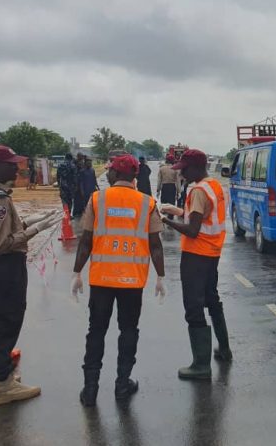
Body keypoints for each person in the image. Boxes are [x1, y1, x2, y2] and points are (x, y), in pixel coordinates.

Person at [71, 154, 166, 407]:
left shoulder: (97, 199)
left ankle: (90, 389)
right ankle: (122, 385)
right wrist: (161, 276)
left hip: (101, 280)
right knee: (128, 330)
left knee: (96, 332)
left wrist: (77, 272)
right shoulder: (147, 203)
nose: (108, 174)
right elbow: (155, 245)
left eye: (110, 170)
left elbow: (86, 240)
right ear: (135, 175)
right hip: (132, 282)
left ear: (114, 174)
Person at [0, 145, 59, 405]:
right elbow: (2, 243)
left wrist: (28, 221)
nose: (16, 168)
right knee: (5, 321)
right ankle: (3, 385)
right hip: (3, 264)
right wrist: (35, 230)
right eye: (10, 163)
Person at [161, 149, 231, 380]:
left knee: (194, 306)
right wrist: (178, 211)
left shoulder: (198, 190)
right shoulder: (214, 186)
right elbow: (202, 217)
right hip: (212, 252)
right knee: (212, 299)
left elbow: (192, 230)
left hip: (196, 255)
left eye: (185, 170)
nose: (182, 174)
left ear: (197, 168)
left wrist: (165, 220)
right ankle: (224, 349)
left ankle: (201, 365)